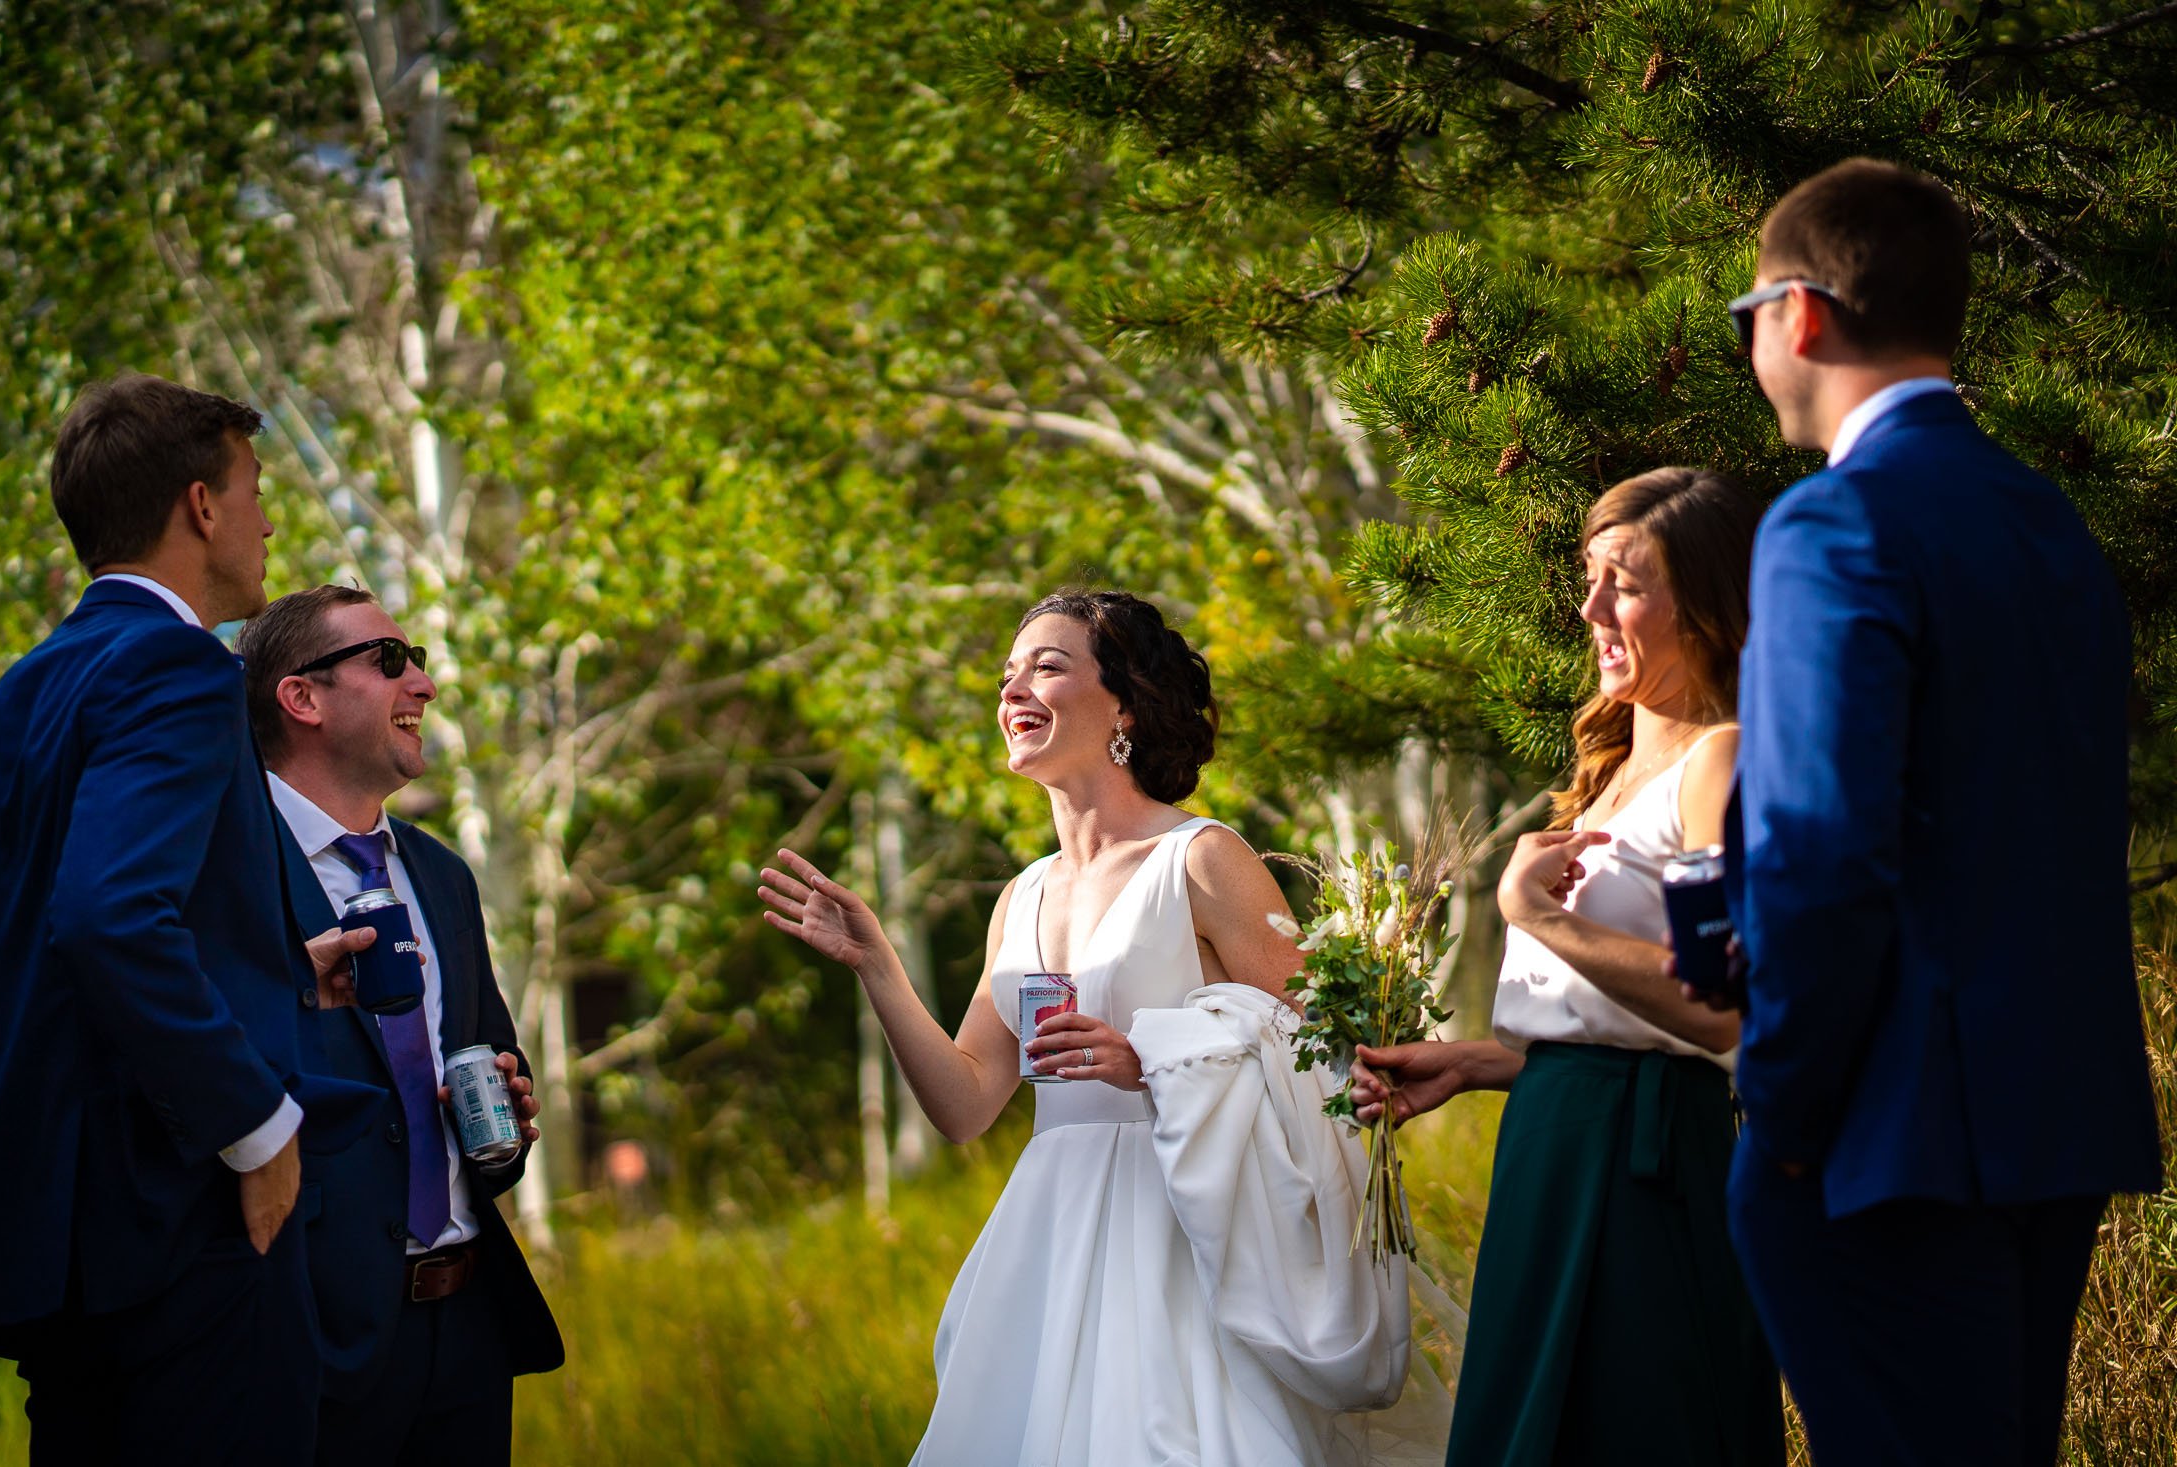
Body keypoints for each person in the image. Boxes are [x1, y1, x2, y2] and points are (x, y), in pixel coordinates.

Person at [759, 590, 1440, 1466]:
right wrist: (879, 967)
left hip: (1180, 1240)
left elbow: (1325, 1059)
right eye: (1007, 674)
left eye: (1047, 665)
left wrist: (1152, 1060)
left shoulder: (1202, 858)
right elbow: (966, 1104)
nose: (1013, 690)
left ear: (1125, 702)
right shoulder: (1022, 896)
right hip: (1047, 1237)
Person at [1716, 158, 2162, 1464]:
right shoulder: (2051, 524)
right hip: (2056, 1113)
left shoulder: (1834, 525)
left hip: (1885, 1130)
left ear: (1801, 313)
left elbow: (1819, 848)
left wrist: (1786, 1111)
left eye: (1745, 312)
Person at [0, 375, 384, 1465]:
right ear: (201, 506)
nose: (267, 523)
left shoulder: (26, 686)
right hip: (183, 1220)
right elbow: (106, 918)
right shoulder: (178, 668)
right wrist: (260, 1124)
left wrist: (270, 971)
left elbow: (25, 943)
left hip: (61, 1242)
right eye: (255, 490)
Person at [1353, 468, 1784, 1467]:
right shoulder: (1608, 771)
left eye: (1624, 584)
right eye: (1588, 579)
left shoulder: (1720, 762)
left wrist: (1530, 915)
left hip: (1649, 1162)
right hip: (1552, 1140)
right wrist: (1479, 1062)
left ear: (1709, 603)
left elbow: (1729, 1014)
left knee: (1636, 1426)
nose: (1591, 609)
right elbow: (1608, 1018)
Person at [238, 584, 563, 1464]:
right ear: (301, 697)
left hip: (466, 1334)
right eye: (389, 659)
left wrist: (507, 1110)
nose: (421, 682)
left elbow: (484, 1047)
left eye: (416, 658)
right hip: (307, 1337)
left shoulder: (442, 872)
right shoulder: (223, 868)